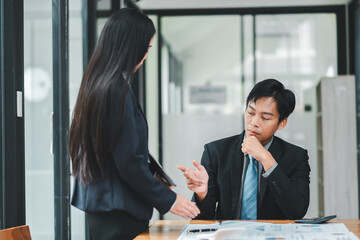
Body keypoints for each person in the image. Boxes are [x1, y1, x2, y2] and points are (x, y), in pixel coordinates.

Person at [68, 8, 199, 240]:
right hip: (120, 213)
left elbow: (115, 153)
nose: (146, 56)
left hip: (103, 208)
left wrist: (155, 183)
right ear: (130, 46)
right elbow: (128, 162)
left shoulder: (95, 84)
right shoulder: (116, 90)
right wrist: (168, 201)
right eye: (146, 49)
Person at [177, 79, 310, 220]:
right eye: (251, 113)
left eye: (265, 118)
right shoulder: (216, 152)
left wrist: (266, 159)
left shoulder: (296, 157)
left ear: (281, 123)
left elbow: (297, 211)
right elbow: (202, 219)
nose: (254, 123)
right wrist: (202, 194)